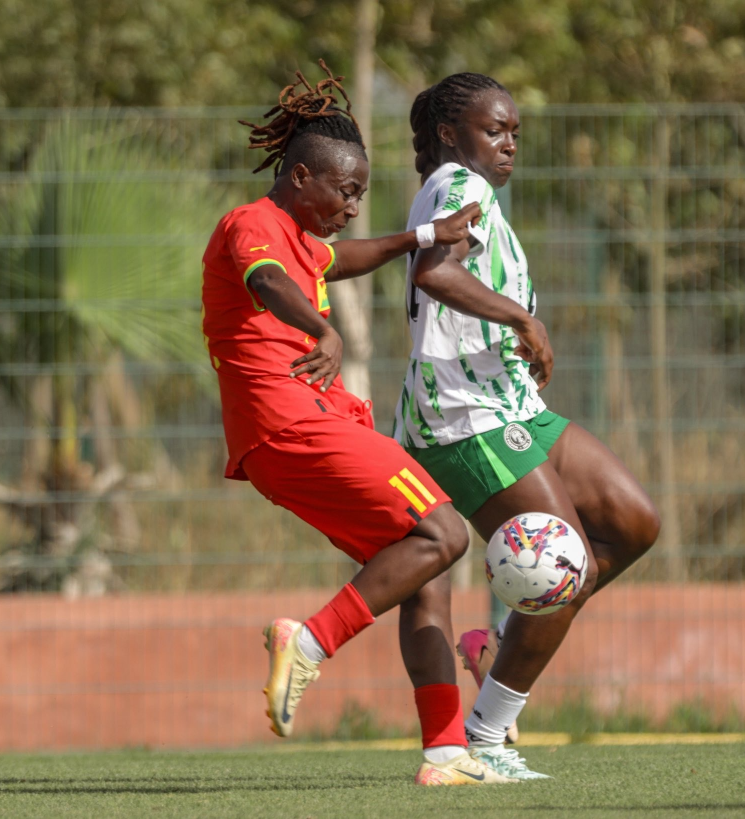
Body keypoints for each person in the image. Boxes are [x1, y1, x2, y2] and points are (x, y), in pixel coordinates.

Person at [201, 62, 515, 786]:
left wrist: (423, 234)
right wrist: (322, 328)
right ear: (301, 176)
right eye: (345, 191)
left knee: (424, 564)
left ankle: (446, 753)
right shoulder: (254, 225)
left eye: (360, 194)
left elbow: (339, 260)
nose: (351, 206)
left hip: (293, 435)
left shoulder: (300, 237)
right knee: (445, 532)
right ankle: (308, 642)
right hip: (293, 424)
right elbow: (269, 282)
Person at [395, 72, 662, 779]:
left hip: (511, 404)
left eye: (514, 132)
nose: (509, 143)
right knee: (566, 566)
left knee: (633, 524)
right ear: (450, 134)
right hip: (464, 417)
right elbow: (434, 272)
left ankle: (498, 644)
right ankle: (487, 735)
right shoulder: (458, 183)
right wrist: (523, 319)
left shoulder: (478, 193)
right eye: (494, 130)